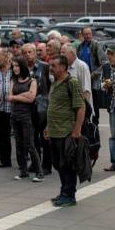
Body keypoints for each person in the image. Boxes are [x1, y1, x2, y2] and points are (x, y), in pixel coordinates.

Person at [46, 55, 85, 207]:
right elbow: (53, 107)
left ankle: (69, 195)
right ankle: (63, 192)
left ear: (63, 67)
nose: (51, 68)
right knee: (58, 164)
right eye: (50, 65)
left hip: (66, 131)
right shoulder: (55, 82)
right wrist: (48, 127)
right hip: (54, 131)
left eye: (54, 66)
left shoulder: (72, 82)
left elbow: (80, 107)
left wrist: (77, 129)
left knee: (67, 164)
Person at [9, 57, 43, 182]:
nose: (15, 68)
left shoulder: (32, 81)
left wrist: (16, 97)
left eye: (17, 66)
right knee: (19, 145)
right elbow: (9, 97)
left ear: (22, 67)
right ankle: (23, 171)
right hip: (14, 116)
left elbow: (31, 98)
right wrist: (23, 95)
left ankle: (39, 172)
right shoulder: (13, 79)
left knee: (30, 144)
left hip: (27, 117)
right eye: (13, 66)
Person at [22, 43, 52, 175]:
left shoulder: (44, 67)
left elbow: (51, 85)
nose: (28, 55)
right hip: (27, 106)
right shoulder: (21, 68)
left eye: (30, 52)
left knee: (44, 137)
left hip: (42, 105)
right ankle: (35, 163)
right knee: (31, 137)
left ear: (35, 53)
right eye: (25, 53)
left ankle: (47, 165)